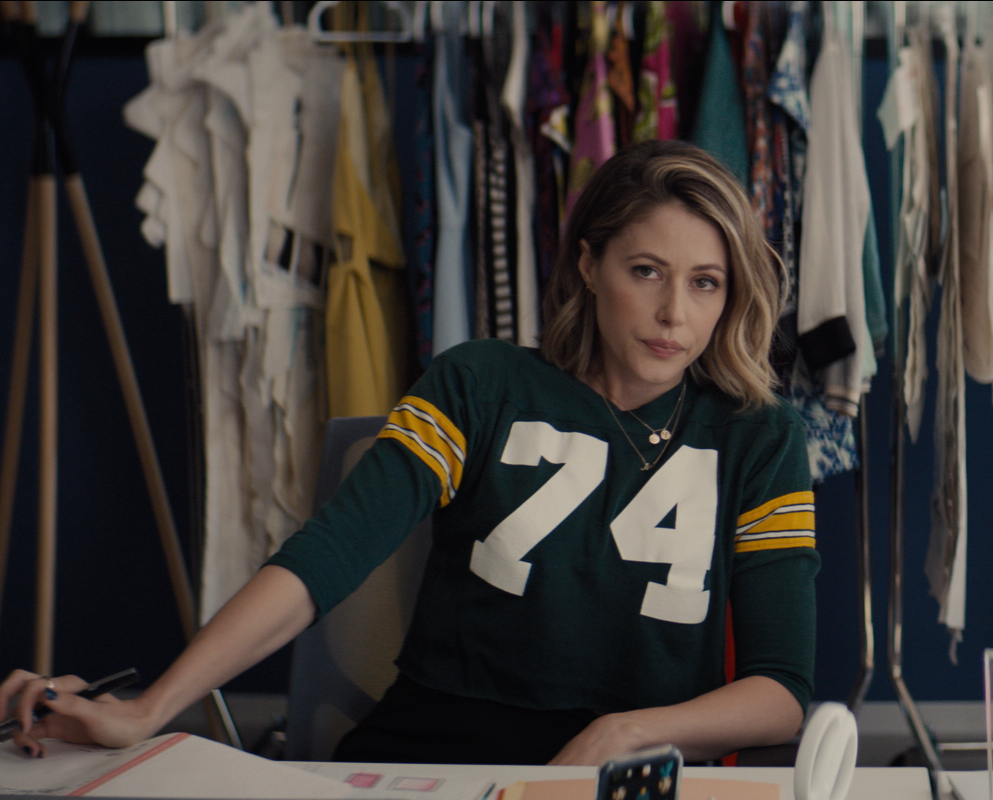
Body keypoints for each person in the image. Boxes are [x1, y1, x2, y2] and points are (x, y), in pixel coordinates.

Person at [1, 140, 818, 766]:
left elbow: (780, 691)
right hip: (436, 751)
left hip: (630, 770)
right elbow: (329, 555)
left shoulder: (759, 436)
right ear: (588, 264)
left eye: (705, 282)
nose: (674, 313)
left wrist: (626, 732)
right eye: (646, 271)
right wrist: (150, 708)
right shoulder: (481, 383)